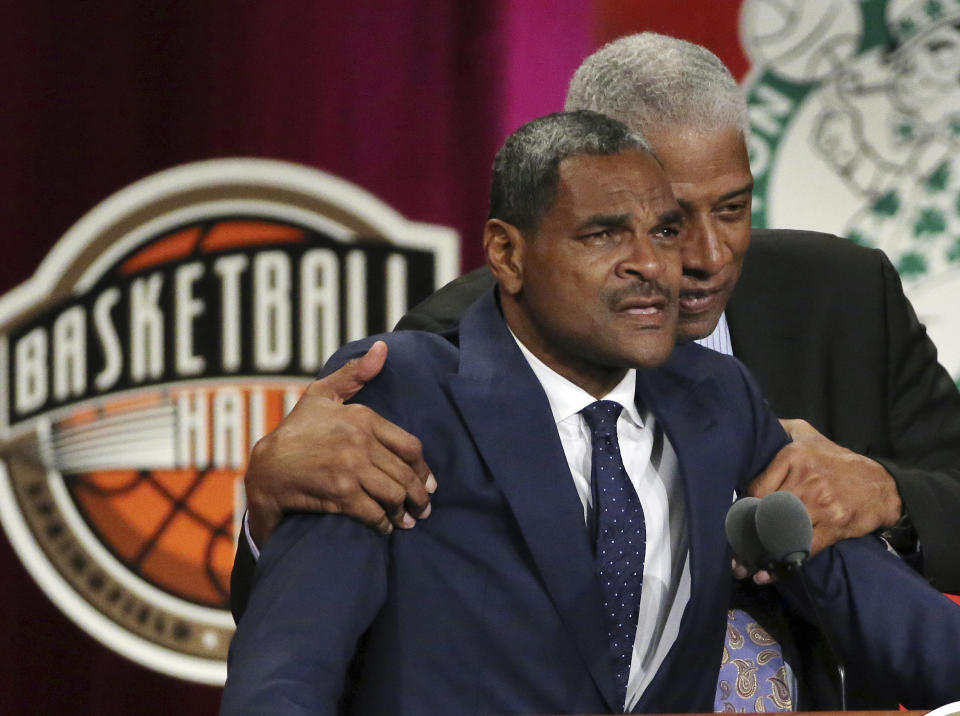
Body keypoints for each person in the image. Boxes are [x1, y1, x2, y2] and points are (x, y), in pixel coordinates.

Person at [221, 111, 960, 715]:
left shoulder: (719, 399)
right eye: (604, 233)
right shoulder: (406, 389)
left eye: (663, 231)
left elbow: (915, 639)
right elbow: (288, 668)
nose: (651, 263)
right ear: (507, 256)